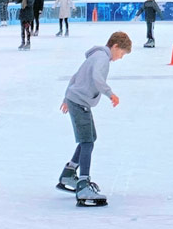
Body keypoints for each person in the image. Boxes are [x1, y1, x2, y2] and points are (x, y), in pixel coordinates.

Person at [56, 29, 131, 208]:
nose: (120, 58)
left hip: (77, 100)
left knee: (88, 139)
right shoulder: (102, 59)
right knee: (88, 142)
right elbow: (97, 78)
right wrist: (110, 93)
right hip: (80, 102)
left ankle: (69, 173)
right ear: (115, 46)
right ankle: (83, 184)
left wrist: (67, 97)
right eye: (121, 53)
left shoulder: (96, 55)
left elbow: (75, 76)